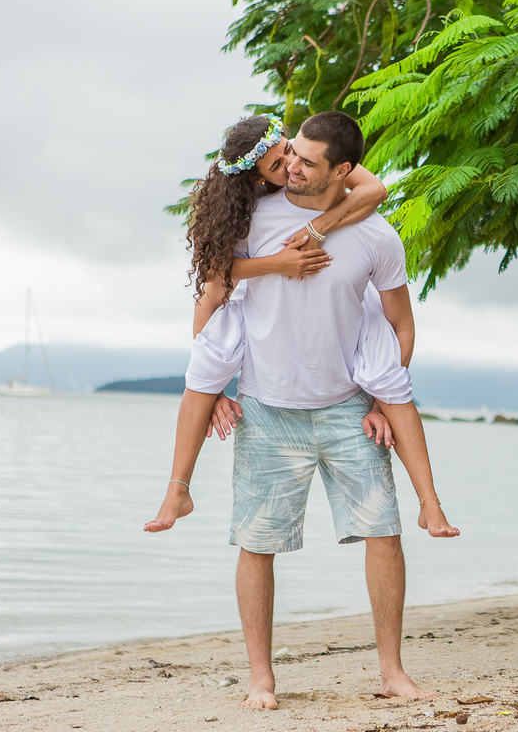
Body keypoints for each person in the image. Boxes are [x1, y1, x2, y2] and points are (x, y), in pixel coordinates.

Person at [146, 112, 457, 707]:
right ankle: (261, 677)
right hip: (267, 412)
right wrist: (216, 391)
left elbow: (401, 322)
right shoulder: (248, 219)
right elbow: (212, 291)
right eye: (286, 158)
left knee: (384, 535)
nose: (291, 166)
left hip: (347, 410)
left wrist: (379, 403)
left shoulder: (373, 232)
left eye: (303, 159)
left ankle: (392, 671)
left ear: (339, 170)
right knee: (256, 544)